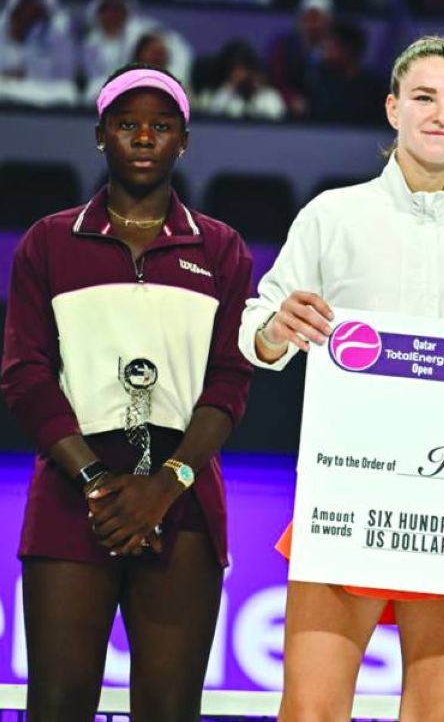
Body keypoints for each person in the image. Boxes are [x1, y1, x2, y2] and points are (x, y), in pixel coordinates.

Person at [238, 35, 444, 721]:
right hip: (350, 491)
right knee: (310, 713)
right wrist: (278, 328)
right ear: (393, 107)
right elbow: (255, 325)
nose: (442, 115)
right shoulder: (334, 215)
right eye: (425, 97)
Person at [0, 62, 254, 720]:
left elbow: (229, 381)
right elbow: (24, 372)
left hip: (185, 497)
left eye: (161, 126)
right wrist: (95, 482)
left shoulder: (222, 250)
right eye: (127, 125)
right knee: (57, 706)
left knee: (169, 710)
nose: (144, 138)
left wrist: (164, 484)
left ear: (184, 141)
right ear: (101, 136)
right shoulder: (50, 241)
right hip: (69, 489)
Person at [0, 0, 73, 106]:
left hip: (44, 95)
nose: (31, 6)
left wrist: (28, 73)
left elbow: (64, 76)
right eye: (26, 2)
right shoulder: (3, 29)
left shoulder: (56, 30)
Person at [267, 0, 333, 117]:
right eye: (307, 18)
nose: (311, 24)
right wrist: (290, 99)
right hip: (287, 110)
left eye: (316, 19)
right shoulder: (284, 47)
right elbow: (275, 81)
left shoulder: (335, 50)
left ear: (328, 22)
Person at [200, 39, 286, 120]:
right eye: (235, 70)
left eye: (243, 69)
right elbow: (213, 116)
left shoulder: (269, 97)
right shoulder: (223, 94)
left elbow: (276, 120)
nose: (239, 75)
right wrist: (229, 89)